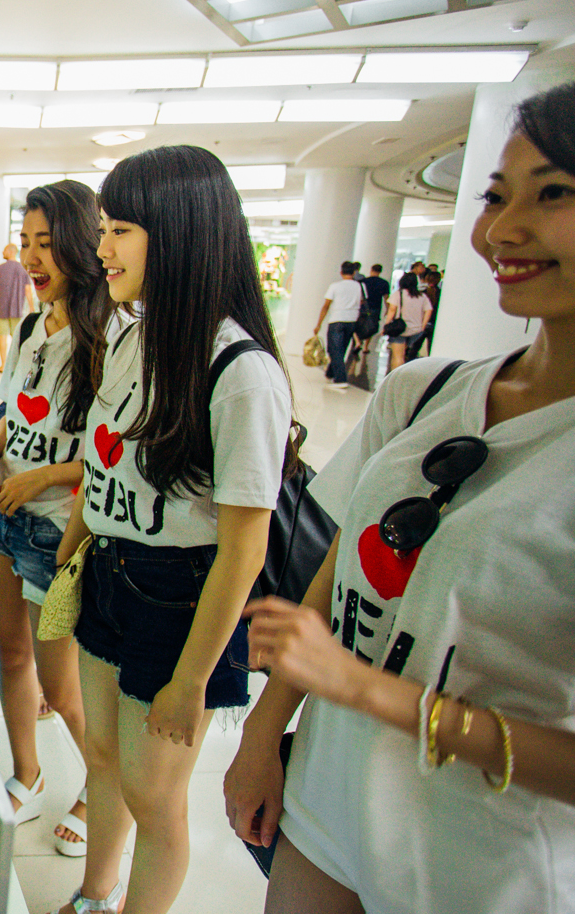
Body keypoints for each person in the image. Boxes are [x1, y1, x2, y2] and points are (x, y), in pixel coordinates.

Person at [223, 80, 575, 914]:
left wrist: (368, 691)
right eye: (495, 196)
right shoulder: (423, 393)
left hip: (476, 862)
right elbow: (349, 560)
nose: (503, 229)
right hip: (329, 799)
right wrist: (268, 726)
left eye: (553, 193)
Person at [55, 145, 294, 914]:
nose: (102, 249)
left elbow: (244, 546)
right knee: (100, 759)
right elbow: (102, 464)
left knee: (151, 794)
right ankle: (95, 894)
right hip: (109, 572)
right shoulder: (129, 334)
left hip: (179, 598)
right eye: (103, 228)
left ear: (182, 235)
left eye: (120, 229)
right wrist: (77, 538)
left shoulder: (241, 372)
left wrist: (192, 681)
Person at [0, 181, 117, 858]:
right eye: (25, 243)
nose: (32, 258)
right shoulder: (30, 327)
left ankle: (101, 789)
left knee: (60, 682)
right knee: (12, 651)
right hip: (1, 516)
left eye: (47, 244)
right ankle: (27, 773)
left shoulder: (110, 337)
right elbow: (12, 414)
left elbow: (115, 459)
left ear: (83, 246)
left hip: (59, 533)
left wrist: (47, 476)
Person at [0, 242, 37, 373]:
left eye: (4, 251)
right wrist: (31, 307)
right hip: (17, 309)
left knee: (2, 336)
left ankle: (3, 365)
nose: (3, 253)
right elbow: (28, 290)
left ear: (11, 251)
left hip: (2, 308)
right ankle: (15, 365)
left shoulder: (0, 268)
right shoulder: (22, 269)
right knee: (16, 338)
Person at [313, 261, 365, 388]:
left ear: (341, 272)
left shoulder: (335, 286)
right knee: (341, 349)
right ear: (354, 272)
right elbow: (362, 301)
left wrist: (318, 324)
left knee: (334, 349)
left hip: (337, 320)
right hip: (352, 321)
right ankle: (330, 373)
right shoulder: (359, 286)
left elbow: (326, 306)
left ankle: (340, 379)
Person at [384, 271, 433, 372]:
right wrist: (422, 325)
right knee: (403, 354)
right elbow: (429, 310)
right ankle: (395, 376)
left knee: (398, 356)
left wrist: (386, 325)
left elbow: (392, 309)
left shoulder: (399, 294)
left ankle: (396, 379)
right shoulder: (421, 296)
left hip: (400, 329)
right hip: (416, 330)